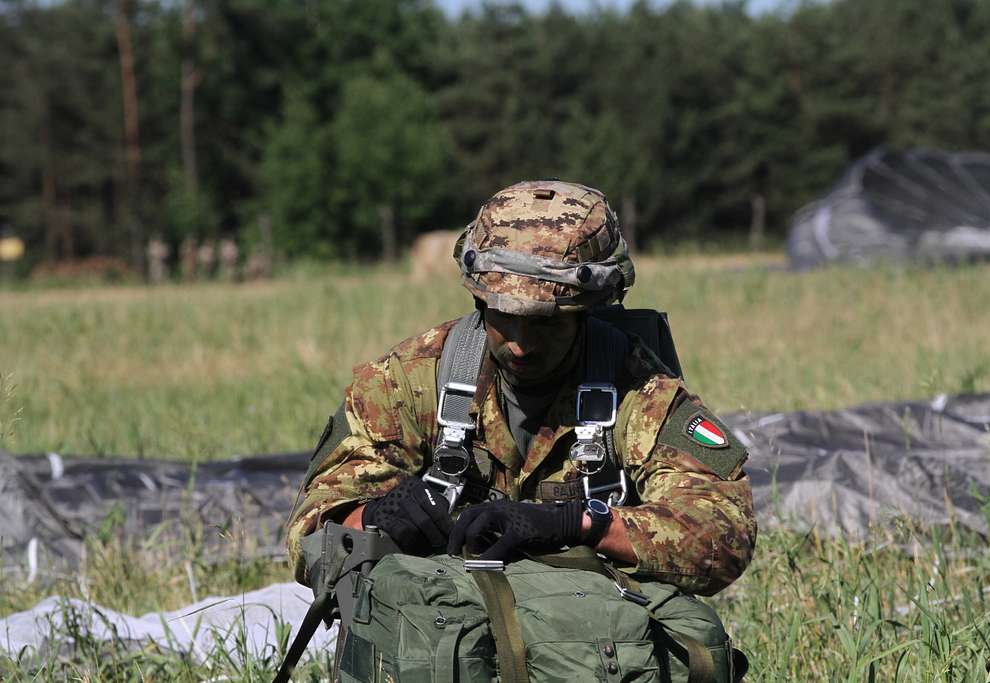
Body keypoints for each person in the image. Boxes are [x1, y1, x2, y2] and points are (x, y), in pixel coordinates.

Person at [287, 180, 756, 600]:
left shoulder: (640, 391)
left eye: (545, 324)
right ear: (478, 298)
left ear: (588, 309)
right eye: (503, 315)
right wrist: (374, 519)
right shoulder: (407, 384)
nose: (519, 342)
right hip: (448, 634)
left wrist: (580, 525)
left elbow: (723, 536)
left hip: (589, 644)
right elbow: (310, 535)